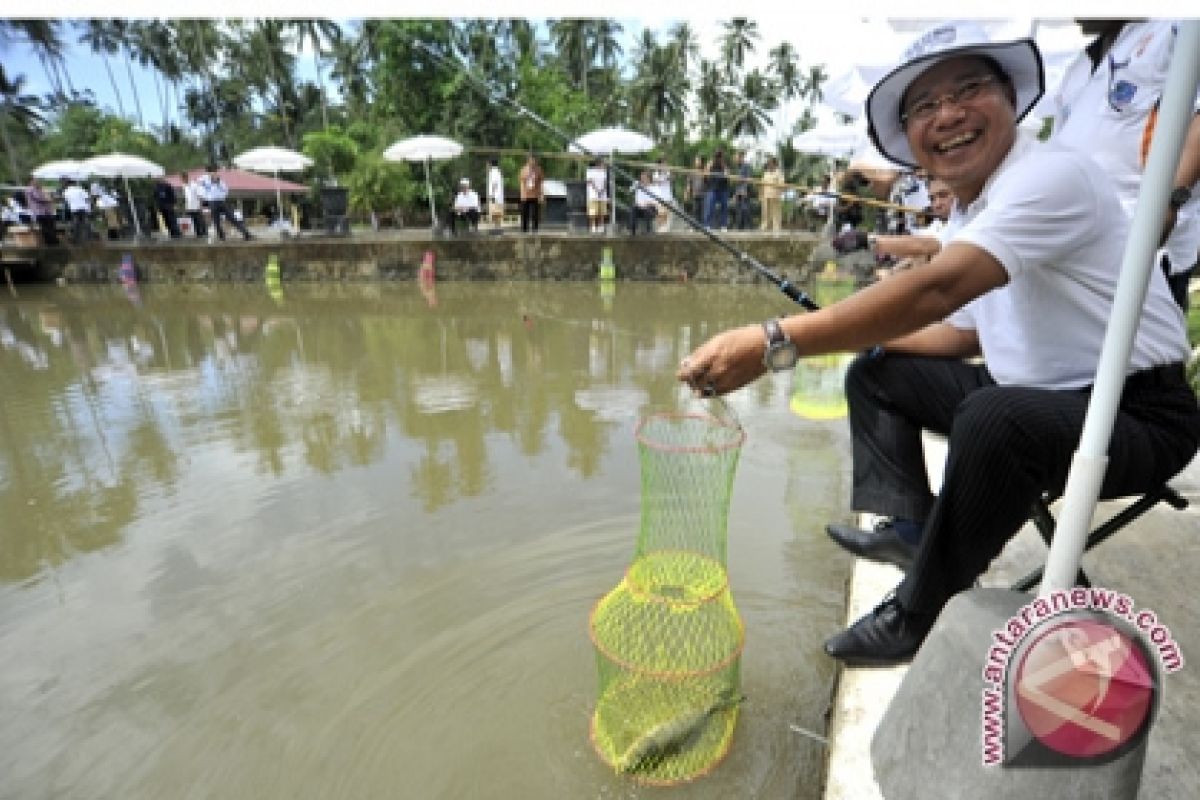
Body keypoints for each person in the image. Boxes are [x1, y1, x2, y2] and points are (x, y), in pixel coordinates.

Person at [675, 21, 1200, 667]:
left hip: (1137, 415)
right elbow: (964, 332)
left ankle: (919, 609)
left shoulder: (1052, 175)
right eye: (924, 107)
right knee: (878, 369)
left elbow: (937, 291)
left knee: (993, 416)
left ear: (1010, 96)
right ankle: (911, 525)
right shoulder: (970, 212)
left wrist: (777, 341)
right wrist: (858, 339)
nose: (947, 114)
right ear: (912, 142)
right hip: (1041, 396)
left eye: (968, 89)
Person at [1049, 19, 1200, 311]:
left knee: (1136, 351)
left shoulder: (1176, 28)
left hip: (1145, 247)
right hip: (1079, 248)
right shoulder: (1079, 66)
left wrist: (1167, 203)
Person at [200, 165, 251, 242]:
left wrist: (217, 182)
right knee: (216, 221)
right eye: (212, 172)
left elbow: (226, 190)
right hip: (212, 202)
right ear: (208, 172)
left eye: (215, 172)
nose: (214, 173)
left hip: (221, 201)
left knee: (232, 218)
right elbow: (200, 186)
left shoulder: (220, 180)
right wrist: (206, 196)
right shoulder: (204, 180)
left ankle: (245, 233)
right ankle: (221, 236)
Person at [25, 176, 58, 247]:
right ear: (31, 181)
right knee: (45, 227)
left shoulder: (39, 189)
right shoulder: (30, 189)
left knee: (50, 225)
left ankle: (53, 241)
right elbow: (39, 198)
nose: (37, 181)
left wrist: (47, 196)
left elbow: (45, 196)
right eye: (35, 180)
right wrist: (49, 199)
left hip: (46, 211)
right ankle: (50, 242)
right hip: (39, 211)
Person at [518, 153, 544, 233]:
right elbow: (522, 182)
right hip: (526, 194)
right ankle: (524, 229)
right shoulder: (524, 170)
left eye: (534, 160)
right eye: (531, 160)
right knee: (525, 213)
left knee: (535, 214)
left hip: (535, 194)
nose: (532, 161)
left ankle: (535, 229)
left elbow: (541, 182)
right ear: (528, 160)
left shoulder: (538, 170)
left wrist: (541, 194)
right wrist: (522, 194)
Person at [704, 149, 729, 230]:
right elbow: (705, 176)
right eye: (716, 156)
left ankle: (723, 225)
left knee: (724, 206)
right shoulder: (710, 164)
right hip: (712, 189)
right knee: (709, 206)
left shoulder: (724, 165)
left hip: (722, 189)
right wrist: (708, 168)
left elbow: (727, 177)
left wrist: (725, 169)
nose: (718, 158)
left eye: (719, 156)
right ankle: (707, 225)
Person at [62, 179, 93, 244]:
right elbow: (87, 198)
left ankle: (76, 239)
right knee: (86, 223)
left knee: (75, 224)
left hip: (74, 208)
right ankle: (88, 238)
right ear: (74, 183)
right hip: (84, 207)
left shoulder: (66, 191)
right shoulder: (80, 189)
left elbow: (66, 200)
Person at [759, 156, 785, 233]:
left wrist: (778, 189)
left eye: (770, 163)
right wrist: (761, 194)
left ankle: (776, 228)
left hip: (775, 195)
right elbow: (762, 184)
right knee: (765, 212)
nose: (769, 164)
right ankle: (764, 226)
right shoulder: (765, 173)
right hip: (765, 195)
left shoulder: (779, 173)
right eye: (768, 163)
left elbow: (782, 185)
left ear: (774, 164)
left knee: (775, 213)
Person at [630, 171, 658, 235]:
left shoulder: (654, 188)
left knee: (648, 209)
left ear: (648, 179)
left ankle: (648, 230)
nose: (642, 180)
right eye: (641, 178)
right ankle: (632, 230)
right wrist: (636, 184)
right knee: (633, 208)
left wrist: (648, 204)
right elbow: (630, 190)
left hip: (651, 208)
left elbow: (655, 202)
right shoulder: (638, 186)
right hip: (639, 207)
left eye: (644, 178)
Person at [586, 157, 609, 234]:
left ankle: (601, 226)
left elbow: (605, 182)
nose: (603, 165)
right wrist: (596, 189)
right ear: (598, 164)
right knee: (593, 212)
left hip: (602, 194)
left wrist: (602, 190)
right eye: (602, 163)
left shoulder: (604, 172)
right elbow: (590, 181)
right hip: (593, 194)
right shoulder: (590, 171)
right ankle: (593, 226)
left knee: (602, 211)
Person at [181, 172, 207, 239]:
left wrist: (200, 205)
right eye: (182, 179)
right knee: (194, 220)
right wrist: (186, 207)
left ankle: (203, 233)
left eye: (184, 178)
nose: (183, 180)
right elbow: (186, 197)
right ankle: (198, 233)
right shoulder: (184, 186)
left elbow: (200, 195)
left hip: (196, 206)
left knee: (199, 220)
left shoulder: (194, 185)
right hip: (190, 206)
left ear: (186, 177)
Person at [651, 158, 674, 232]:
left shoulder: (667, 172)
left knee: (667, 215)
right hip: (659, 197)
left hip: (668, 197)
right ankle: (660, 230)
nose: (665, 165)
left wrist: (667, 174)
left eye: (666, 164)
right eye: (663, 163)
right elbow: (656, 182)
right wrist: (664, 178)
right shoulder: (655, 173)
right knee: (661, 214)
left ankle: (665, 231)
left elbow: (672, 178)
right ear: (659, 164)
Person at [732, 150, 752, 230]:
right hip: (738, 191)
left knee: (745, 209)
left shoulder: (746, 166)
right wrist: (735, 194)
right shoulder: (737, 167)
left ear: (741, 157)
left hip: (744, 191)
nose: (735, 159)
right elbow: (737, 182)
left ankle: (748, 226)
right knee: (738, 209)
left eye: (736, 158)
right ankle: (739, 226)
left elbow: (748, 179)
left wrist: (744, 190)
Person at [686, 155, 707, 222]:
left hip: (704, 194)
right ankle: (695, 226)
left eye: (698, 160)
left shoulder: (705, 171)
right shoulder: (692, 172)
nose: (697, 162)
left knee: (704, 211)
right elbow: (689, 183)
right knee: (695, 210)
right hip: (695, 194)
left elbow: (708, 182)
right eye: (696, 160)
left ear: (702, 162)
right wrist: (687, 192)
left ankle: (704, 226)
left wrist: (704, 175)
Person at [486, 158, 505, 231]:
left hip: (495, 195)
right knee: (497, 211)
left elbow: (494, 183)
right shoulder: (498, 172)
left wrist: (492, 195)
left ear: (491, 164)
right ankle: (497, 226)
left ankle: (496, 227)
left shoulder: (493, 172)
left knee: (495, 212)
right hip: (498, 196)